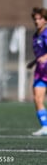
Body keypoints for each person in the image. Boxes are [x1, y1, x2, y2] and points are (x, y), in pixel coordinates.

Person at [30, 7, 47, 136]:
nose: (37, 21)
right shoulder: (36, 36)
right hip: (41, 73)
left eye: (39, 18)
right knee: (37, 97)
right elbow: (40, 55)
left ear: (45, 20)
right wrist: (34, 62)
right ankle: (45, 126)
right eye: (35, 19)